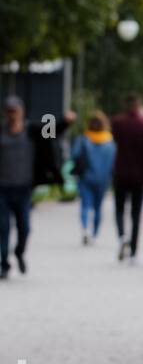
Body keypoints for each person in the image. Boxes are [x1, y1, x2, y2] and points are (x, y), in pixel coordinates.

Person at [0, 95, 76, 279]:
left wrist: (65, 121)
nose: (12, 115)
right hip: (2, 189)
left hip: (24, 188)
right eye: (9, 111)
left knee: (24, 227)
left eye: (15, 111)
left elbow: (52, 131)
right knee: (2, 227)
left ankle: (19, 252)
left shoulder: (33, 130)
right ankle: (4, 263)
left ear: (22, 112)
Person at [110, 94, 143, 265]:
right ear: (139, 106)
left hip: (121, 172)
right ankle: (134, 252)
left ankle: (122, 235)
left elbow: (114, 142)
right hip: (139, 175)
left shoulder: (117, 123)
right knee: (136, 214)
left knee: (120, 209)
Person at [70, 111, 117, 245]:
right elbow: (114, 161)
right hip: (103, 179)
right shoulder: (110, 141)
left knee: (85, 205)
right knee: (98, 207)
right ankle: (95, 234)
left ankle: (85, 229)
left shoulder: (83, 139)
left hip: (86, 177)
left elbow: (74, 155)